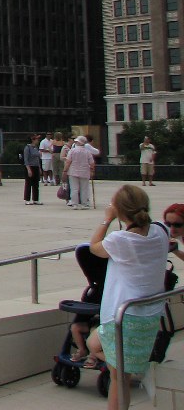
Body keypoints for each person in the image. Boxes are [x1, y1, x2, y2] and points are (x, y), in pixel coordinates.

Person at [85, 185, 169, 410]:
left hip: (123, 317)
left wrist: (107, 219)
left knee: (118, 380)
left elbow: (94, 247)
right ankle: (129, 367)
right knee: (94, 344)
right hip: (148, 315)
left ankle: (126, 370)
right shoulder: (161, 231)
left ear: (120, 211)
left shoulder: (121, 240)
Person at [64, 136, 95, 209]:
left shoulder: (72, 151)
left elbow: (68, 162)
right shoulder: (87, 152)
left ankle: (75, 204)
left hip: (73, 172)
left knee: (74, 188)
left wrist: (65, 170)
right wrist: (92, 171)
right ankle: (84, 203)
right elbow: (92, 163)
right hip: (84, 172)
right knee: (84, 189)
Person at [22, 134, 42, 206]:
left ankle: (36, 199)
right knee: (28, 183)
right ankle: (27, 199)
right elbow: (26, 159)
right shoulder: (27, 148)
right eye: (36, 139)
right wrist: (28, 169)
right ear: (33, 140)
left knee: (36, 184)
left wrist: (39, 168)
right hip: (30, 167)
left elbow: (37, 159)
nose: (38, 141)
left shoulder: (36, 148)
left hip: (36, 166)